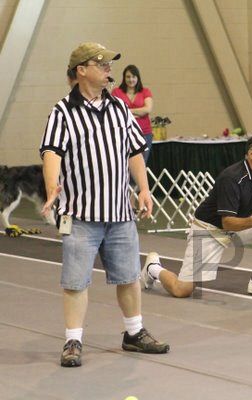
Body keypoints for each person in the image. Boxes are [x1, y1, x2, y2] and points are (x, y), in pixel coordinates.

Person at [40, 42, 169, 368]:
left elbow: (135, 150)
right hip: (80, 215)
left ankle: (134, 333)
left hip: (119, 214)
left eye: (109, 63)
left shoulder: (119, 108)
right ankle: (73, 340)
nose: (109, 69)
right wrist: (52, 187)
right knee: (75, 282)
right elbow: (52, 152)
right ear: (81, 70)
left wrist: (143, 188)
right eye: (101, 63)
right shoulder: (62, 112)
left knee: (128, 277)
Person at [141, 132, 252, 298]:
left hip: (240, 226)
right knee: (182, 290)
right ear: (251, 154)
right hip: (209, 230)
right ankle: (153, 268)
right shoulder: (232, 177)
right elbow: (227, 223)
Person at [111, 65, 154, 164]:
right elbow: (115, 111)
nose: (131, 79)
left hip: (144, 133)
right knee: (125, 164)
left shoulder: (145, 91)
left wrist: (127, 111)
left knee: (141, 165)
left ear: (138, 78)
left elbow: (148, 109)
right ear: (124, 78)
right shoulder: (116, 92)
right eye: (128, 77)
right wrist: (139, 113)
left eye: (134, 77)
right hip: (124, 133)